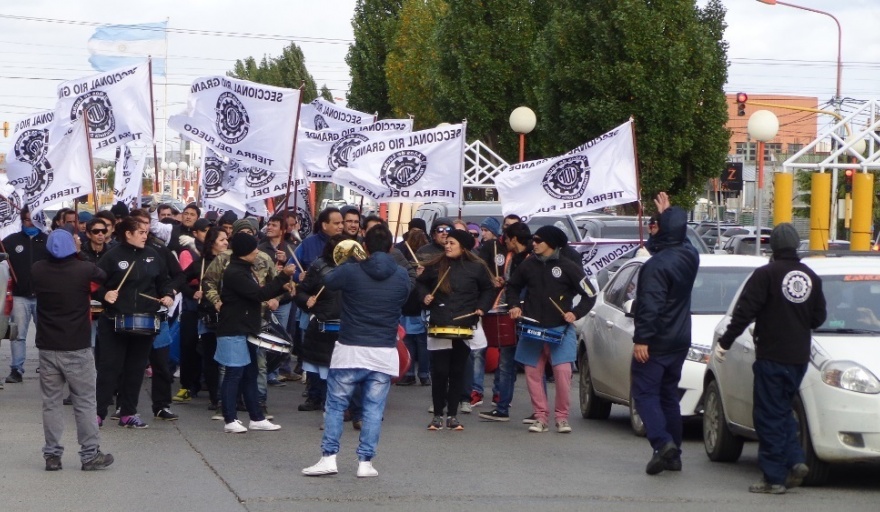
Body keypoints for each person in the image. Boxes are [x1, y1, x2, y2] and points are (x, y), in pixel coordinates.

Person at [715, 223, 826, 494]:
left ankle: (774, 477)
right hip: (799, 357)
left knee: (768, 415)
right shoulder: (811, 277)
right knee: (782, 410)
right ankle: (795, 459)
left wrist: (725, 342)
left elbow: (744, 312)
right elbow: (818, 318)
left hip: (771, 356)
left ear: (773, 247)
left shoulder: (766, 275)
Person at [302, 225, 411, 478]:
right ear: (391, 248)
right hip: (383, 349)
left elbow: (327, 280)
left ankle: (329, 458)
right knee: (374, 409)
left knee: (336, 405)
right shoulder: (402, 275)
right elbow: (404, 298)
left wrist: (352, 257)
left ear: (365, 245)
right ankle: (365, 462)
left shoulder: (351, 271)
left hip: (350, 347)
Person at [630, 192, 699, 474]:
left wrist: (642, 339)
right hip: (680, 338)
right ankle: (674, 454)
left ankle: (662, 443)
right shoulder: (689, 256)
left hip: (657, 340)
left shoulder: (656, 266)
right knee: (668, 394)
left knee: (645, 393)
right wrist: (670, 215)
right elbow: (682, 239)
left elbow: (650, 306)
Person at [34, 229, 114, 471]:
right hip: (77, 346)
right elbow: (103, 276)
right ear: (72, 247)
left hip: (48, 346)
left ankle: (52, 455)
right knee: (85, 402)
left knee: (51, 403)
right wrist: (79, 253)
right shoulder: (84, 269)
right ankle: (89, 454)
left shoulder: (37, 269)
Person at [506, 225, 597, 434]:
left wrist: (576, 313)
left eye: (538, 240)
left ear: (552, 244)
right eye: (533, 240)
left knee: (563, 373)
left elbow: (590, 294)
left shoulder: (568, 266)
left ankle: (562, 417)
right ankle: (540, 417)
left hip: (560, 329)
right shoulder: (528, 265)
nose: (534, 244)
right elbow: (512, 287)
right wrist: (514, 305)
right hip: (532, 327)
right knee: (532, 373)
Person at [94, 216, 175, 429]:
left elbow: (164, 281)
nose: (145, 236)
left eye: (146, 232)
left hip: (146, 320)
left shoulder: (153, 255)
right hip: (114, 320)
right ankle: (98, 412)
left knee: (135, 369)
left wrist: (167, 295)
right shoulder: (112, 256)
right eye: (141, 232)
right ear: (128, 234)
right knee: (109, 368)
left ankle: (128, 413)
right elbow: (93, 283)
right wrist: (105, 294)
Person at [216, 232, 295, 433]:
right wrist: (282, 277)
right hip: (233, 329)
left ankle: (256, 417)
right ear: (244, 253)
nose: (257, 251)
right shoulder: (235, 272)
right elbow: (258, 294)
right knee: (234, 373)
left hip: (246, 328)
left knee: (250, 373)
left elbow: (259, 290)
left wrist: (280, 285)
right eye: (253, 249)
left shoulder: (244, 269)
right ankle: (229, 419)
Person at [419, 229, 495, 431]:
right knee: (440, 371)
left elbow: (489, 289)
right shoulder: (436, 265)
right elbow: (419, 285)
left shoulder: (477, 267)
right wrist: (425, 296)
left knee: (457, 371)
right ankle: (437, 415)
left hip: (464, 323)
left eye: (452, 243)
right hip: (440, 321)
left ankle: (452, 415)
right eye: (446, 242)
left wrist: (482, 307)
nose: (447, 246)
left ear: (463, 246)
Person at [479, 221, 530, 422]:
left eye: (506, 239)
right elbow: (513, 285)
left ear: (514, 239)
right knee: (505, 361)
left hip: (528, 315)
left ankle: (540, 411)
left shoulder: (531, 259)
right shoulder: (512, 257)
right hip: (508, 313)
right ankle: (502, 406)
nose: (504, 243)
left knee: (535, 365)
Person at [294, 235, 345, 412]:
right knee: (317, 363)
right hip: (322, 321)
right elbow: (300, 292)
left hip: (346, 323)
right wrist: (306, 299)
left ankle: (334, 402)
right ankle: (315, 397)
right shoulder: (318, 266)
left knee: (339, 367)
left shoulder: (355, 268)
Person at [2, 206, 50, 383]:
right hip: (20, 295)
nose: (30, 223)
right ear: (22, 220)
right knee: (18, 335)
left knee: (46, 335)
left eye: (34, 219)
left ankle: (48, 369)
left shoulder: (48, 241)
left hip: (43, 295)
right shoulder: (10, 241)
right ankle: (16, 369)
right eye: (27, 220)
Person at [186, 227, 228, 417]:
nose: (226, 243)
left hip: (228, 316)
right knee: (211, 359)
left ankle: (231, 396)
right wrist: (192, 293)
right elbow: (179, 280)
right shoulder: (200, 264)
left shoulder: (231, 262)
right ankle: (215, 396)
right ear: (212, 243)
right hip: (207, 317)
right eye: (222, 240)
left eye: (227, 239)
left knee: (229, 359)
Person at [397, 228, 431, 386]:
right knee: (422, 342)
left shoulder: (406, 260)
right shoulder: (427, 258)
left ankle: (409, 373)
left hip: (409, 305)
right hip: (421, 305)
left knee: (410, 341)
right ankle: (424, 374)